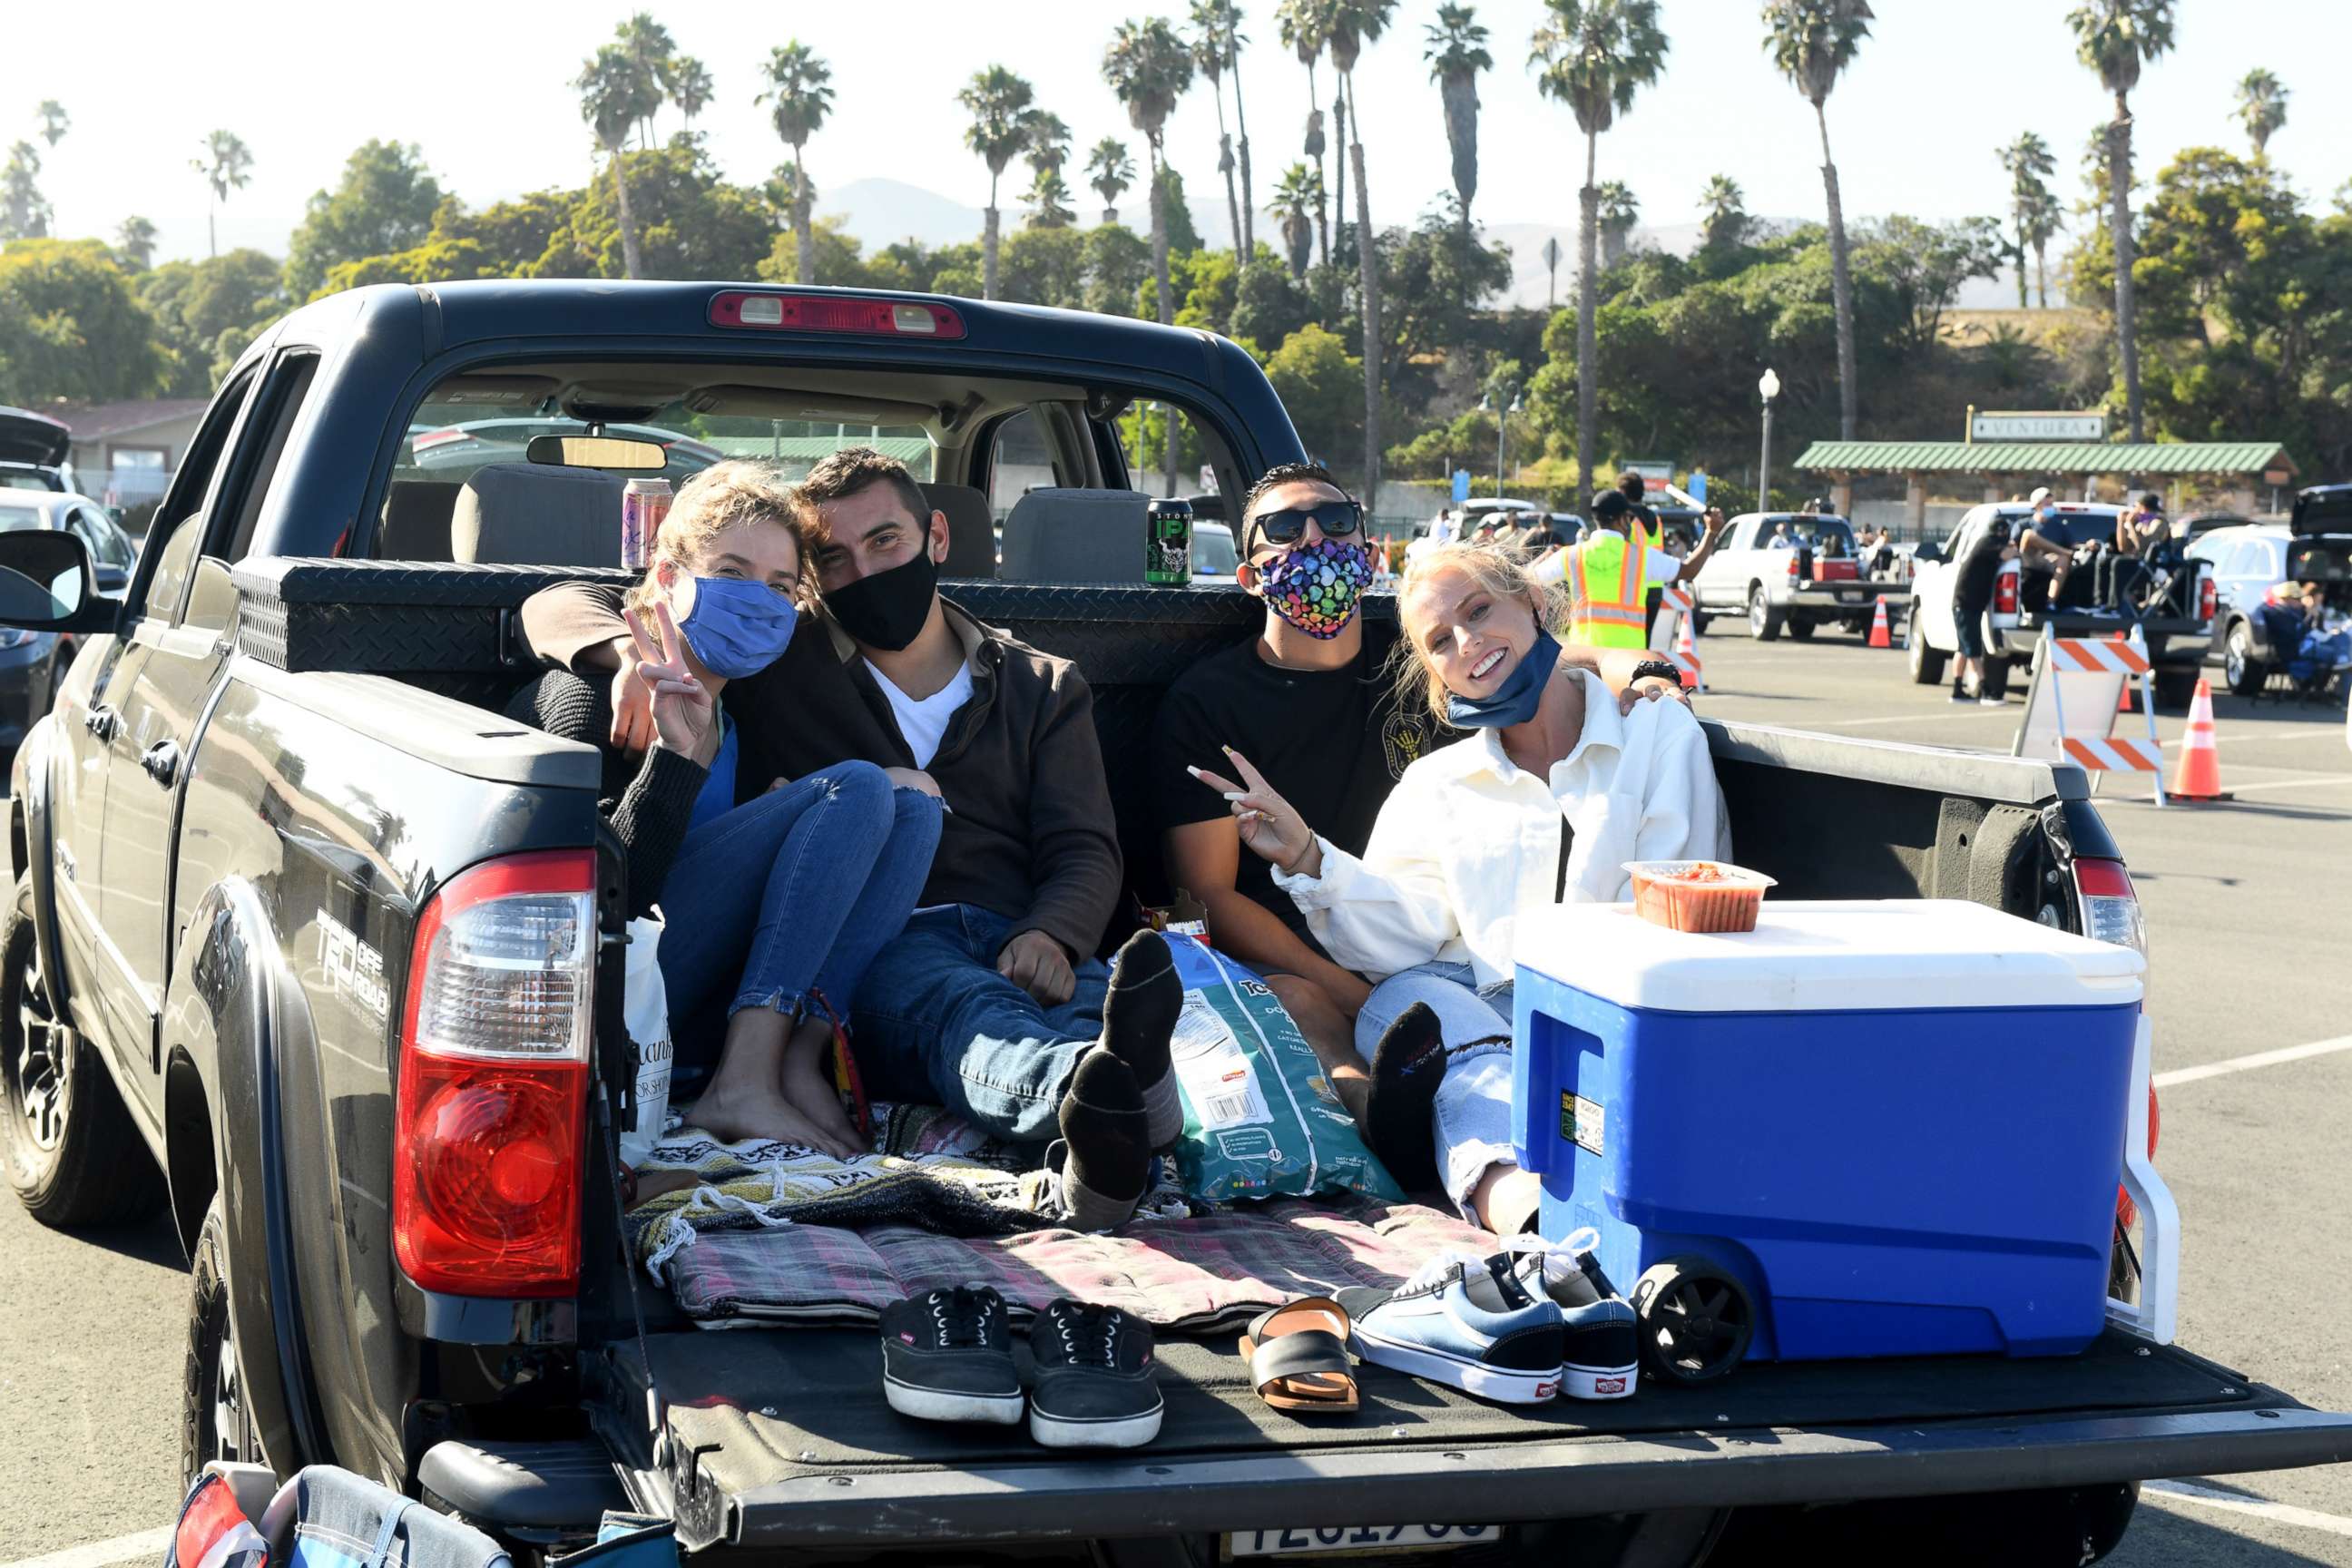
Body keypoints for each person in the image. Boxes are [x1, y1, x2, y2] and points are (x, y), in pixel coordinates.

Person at [520, 447, 1179, 1230]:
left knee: (1058, 981)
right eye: (831, 560)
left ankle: (1129, 1120)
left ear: (936, 538)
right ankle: (1071, 1090)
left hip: (996, 934)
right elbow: (555, 603)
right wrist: (627, 657)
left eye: (777, 585)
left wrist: (1054, 934)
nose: (862, 575)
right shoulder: (763, 666)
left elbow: (1084, 844)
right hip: (830, 954)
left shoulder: (1035, 682)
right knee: (955, 994)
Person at [1198, 538, 1729, 1234]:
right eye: (1441, 641)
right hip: (1479, 1019)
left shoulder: (1657, 732)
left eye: (1480, 611)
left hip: (1614, 1023)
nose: (1469, 643)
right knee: (1407, 999)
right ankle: (1534, 1223)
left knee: (1443, 1035)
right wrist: (1306, 857)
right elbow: (1403, 936)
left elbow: (1672, 909)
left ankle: (1486, 1173)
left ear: (1533, 602)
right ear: (1436, 676)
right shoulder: (1436, 784)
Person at [1153, 464, 1691, 1135]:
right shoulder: (1208, 701)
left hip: (1428, 949)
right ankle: (1379, 1122)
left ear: (1367, 544)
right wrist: (1354, 993)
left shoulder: (1425, 652)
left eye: (1336, 520)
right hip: (1296, 956)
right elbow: (1209, 894)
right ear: (1250, 574)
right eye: (1286, 529)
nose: (1315, 540)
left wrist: (1646, 672)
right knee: (1308, 1009)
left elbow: (1550, 652)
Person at [504, 462, 943, 1156]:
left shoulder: (752, 709)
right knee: (856, 785)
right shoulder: (589, 697)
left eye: (779, 587)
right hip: (602, 998)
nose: (758, 604)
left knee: (909, 809)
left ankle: (798, 1062)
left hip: (700, 1005)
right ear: (673, 577)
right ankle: (744, 1080)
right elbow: (590, 914)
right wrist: (668, 755)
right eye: (733, 575)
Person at [1534, 489, 1723, 649]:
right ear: (1622, 520)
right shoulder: (1641, 557)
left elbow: (1529, 578)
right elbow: (1689, 570)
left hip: (1584, 656)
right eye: (1630, 518)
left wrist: (1546, 555)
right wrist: (1711, 532)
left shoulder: (1571, 555)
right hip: (1628, 659)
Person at [1951, 516, 2016, 705]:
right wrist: (2015, 548)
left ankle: (1957, 689)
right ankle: (1985, 690)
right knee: (1972, 649)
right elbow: (2007, 555)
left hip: (1968, 604)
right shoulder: (1987, 543)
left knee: (1963, 648)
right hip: (1966, 604)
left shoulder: (1987, 544)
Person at [2016, 495, 2080, 607]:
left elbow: (2075, 546)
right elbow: (2012, 545)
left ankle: (2050, 602)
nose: (2051, 507)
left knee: (2064, 559)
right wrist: (2065, 551)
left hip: (2049, 561)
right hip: (2027, 560)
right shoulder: (2023, 524)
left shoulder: (2059, 526)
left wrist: (2088, 545)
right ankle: (2064, 552)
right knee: (2029, 534)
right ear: (2037, 505)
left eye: (2052, 504)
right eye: (2047, 504)